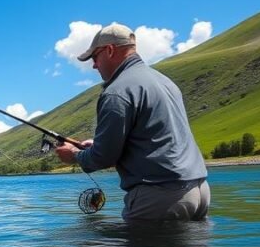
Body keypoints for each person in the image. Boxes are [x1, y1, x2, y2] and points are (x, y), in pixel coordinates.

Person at [55, 23, 210, 222]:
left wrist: (75, 155)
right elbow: (155, 136)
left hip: (160, 196)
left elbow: (104, 158)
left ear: (109, 50)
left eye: (94, 58)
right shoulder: (165, 82)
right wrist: (97, 144)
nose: (94, 65)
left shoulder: (117, 91)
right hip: (200, 191)